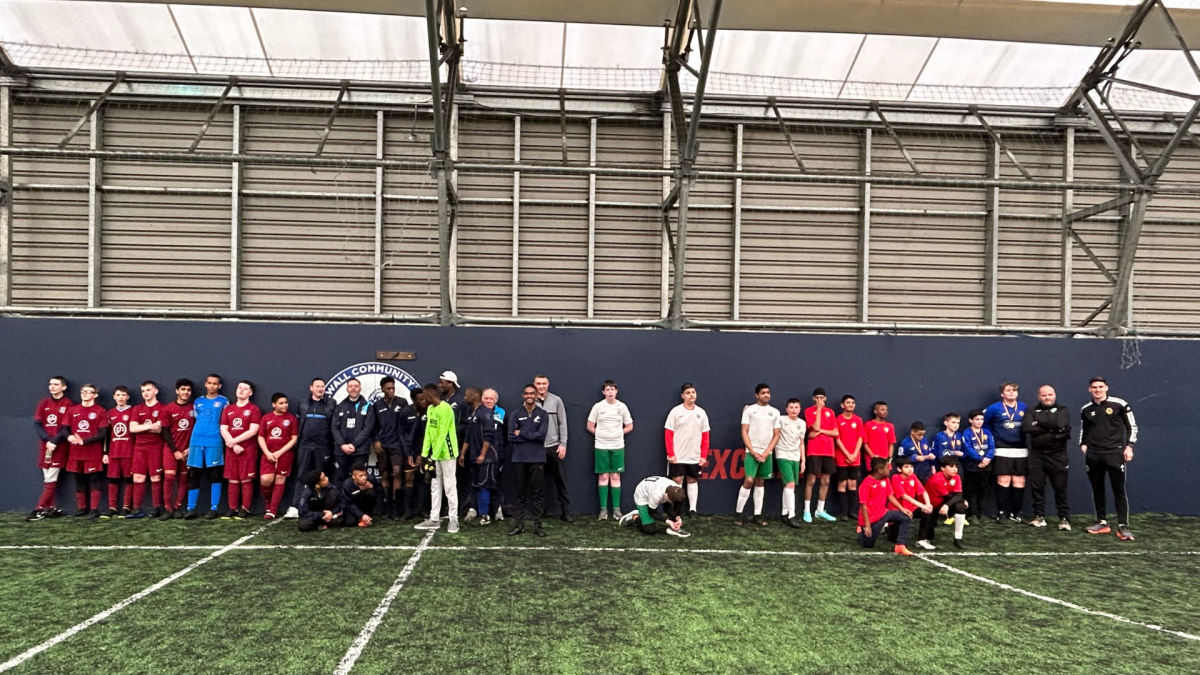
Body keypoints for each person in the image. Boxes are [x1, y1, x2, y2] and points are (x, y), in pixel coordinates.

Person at [1080, 377, 1137, 541]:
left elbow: (1131, 426)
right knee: (1097, 489)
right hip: (1094, 454)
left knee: (1118, 490)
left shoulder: (1119, 404)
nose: (1097, 390)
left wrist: (1129, 446)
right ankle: (1102, 522)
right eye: (1094, 387)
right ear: (1089, 390)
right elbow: (1084, 429)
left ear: (1106, 388)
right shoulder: (1086, 409)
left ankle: (1123, 527)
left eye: (1100, 387)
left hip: (1115, 453)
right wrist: (1083, 444)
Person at [1022, 384, 1072, 530]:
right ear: (1039, 396)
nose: (1047, 397)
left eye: (1049, 394)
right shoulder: (1032, 410)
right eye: (1044, 395)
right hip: (1037, 455)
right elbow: (1026, 427)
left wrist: (1039, 423)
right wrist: (1052, 428)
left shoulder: (1063, 410)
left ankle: (1064, 518)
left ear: (1054, 395)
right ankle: (1039, 516)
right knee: (1037, 487)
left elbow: (1060, 424)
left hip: (1058, 455)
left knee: (1060, 488)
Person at [414, 383, 460, 533]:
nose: (423, 399)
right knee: (434, 485)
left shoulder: (446, 409)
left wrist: (433, 456)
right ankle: (434, 519)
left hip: (447, 454)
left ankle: (454, 519)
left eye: (425, 396)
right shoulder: (430, 409)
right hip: (434, 455)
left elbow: (443, 434)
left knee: (449, 486)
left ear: (431, 395)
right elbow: (429, 432)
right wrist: (424, 454)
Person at [735, 383, 781, 526]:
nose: (766, 395)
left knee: (760, 482)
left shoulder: (775, 412)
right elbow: (744, 431)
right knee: (749, 480)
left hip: (766, 454)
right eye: (763, 393)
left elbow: (776, 434)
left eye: (768, 392)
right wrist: (753, 451)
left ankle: (757, 515)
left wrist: (766, 452)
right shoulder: (749, 411)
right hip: (751, 452)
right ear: (757, 395)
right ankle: (738, 514)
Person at [61, 383, 108, 519]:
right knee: (78, 480)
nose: (85, 393)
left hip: (93, 451)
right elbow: (64, 428)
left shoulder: (100, 411)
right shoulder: (72, 410)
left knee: (94, 480)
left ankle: (94, 509)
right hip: (75, 452)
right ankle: (81, 508)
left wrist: (85, 441)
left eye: (88, 391)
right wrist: (69, 436)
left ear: (95, 395)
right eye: (83, 391)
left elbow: (103, 432)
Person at [588, 380, 633, 521]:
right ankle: (603, 510)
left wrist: (618, 434)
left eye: (613, 389)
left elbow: (629, 426)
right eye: (607, 389)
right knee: (603, 477)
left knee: (615, 477)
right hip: (601, 447)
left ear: (616, 391)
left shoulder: (622, 407)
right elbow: (590, 426)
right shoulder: (598, 407)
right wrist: (602, 435)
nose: (610, 392)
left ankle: (616, 509)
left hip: (618, 446)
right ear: (604, 392)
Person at [30, 375, 74, 520]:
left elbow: (65, 427)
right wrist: (47, 440)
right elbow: (38, 423)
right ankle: (52, 508)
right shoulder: (44, 403)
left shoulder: (68, 404)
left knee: (51, 478)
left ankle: (39, 509)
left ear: (63, 387)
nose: (52, 387)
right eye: (50, 384)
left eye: (56, 384)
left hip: (59, 446)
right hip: (45, 446)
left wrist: (54, 441)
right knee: (47, 479)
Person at [185, 374, 228, 520]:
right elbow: (196, 418)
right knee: (194, 474)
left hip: (214, 440)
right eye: (209, 383)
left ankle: (214, 508)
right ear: (205, 384)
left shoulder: (224, 401)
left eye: (215, 384)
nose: (212, 386)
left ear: (219, 386)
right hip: (196, 440)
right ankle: (191, 508)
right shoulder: (198, 401)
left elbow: (225, 421)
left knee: (215, 474)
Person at [507, 384, 548, 537]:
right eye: (526, 393)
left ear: (536, 395)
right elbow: (511, 436)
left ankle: (537, 525)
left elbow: (541, 436)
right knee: (520, 493)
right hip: (519, 458)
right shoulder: (516, 414)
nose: (529, 396)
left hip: (537, 458)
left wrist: (522, 433)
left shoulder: (543, 414)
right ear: (523, 395)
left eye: (532, 393)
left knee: (537, 493)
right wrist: (530, 435)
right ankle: (519, 524)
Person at [664, 382, 710, 516]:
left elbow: (705, 435)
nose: (691, 395)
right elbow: (668, 433)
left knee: (692, 480)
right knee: (677, 481)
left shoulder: (701, 413)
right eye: (688, 393)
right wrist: (671, 454)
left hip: (694, 455)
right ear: (682, 395)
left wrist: (703, 455)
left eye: (693, 392)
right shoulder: (676, 412)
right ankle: (676, 510)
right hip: (678, 455)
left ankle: (692, 510)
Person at [985, 382, 1028, 523]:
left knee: (1019, 480)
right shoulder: (994, 408)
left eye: (1014, 390)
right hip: (1002, 448)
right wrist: (991, 436)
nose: (1011, 392)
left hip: (1021, 449)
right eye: (1008, 390)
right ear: (1002, 394)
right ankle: (1002, 513)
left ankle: (1017, 513)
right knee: (1004, 480)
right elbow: (983, 422)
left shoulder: (1023, 407)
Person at [220, 380, 261, 519]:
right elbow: (223, 428)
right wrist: (232, 444)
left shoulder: (254, 409)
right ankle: (232, 508)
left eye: (245, 388)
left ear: (251, 392)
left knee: (245, 479)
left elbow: (253, 430)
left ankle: (245, 508)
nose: (241, 390)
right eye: (239, 387)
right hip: (232, 449)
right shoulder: (228, 409)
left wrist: (234, 442)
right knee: (232, 479)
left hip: (247, 449)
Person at [856, 457, 914, 556]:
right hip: (871, 519)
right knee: (868, 544)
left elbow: (890, 496)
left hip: (883, 513)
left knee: (906, 518)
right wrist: (867, 526)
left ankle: (900, 545)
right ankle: (860, 530)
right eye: (887, 468)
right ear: (880, 470)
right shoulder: (866, 484)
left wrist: (902, 509)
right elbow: (863, 506)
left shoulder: (886, 479)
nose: (890, 470)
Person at [534, 374, 572, 522]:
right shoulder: (530, 401)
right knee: (538, 482)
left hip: (554, 447)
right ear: (534, 384)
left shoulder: (556, 401)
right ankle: (541, 512)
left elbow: (563, 423)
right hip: (537, 448)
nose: (541, 386)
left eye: (544, 383)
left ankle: (565, 512)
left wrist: (563, 444)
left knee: (560, 481)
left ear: (548, 384)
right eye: (538, 383)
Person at [128, 381, 168, 519]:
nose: (145, 393)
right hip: (139, 448)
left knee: (155, 477)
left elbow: (160, 429)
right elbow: (132, 428)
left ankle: (157, 507)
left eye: (148, 390)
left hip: (156, 447)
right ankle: (136, 508)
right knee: (138, 478)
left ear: (155, 391)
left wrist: (143, 426)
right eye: (143, 390)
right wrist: (150, 426)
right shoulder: (137, 408)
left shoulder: (163, 408)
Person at [462, 387, 500, 525]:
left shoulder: (486, 413)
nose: (464, 397)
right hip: (474, 456)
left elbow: (489, 436)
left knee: (484, 485)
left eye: (467, 395)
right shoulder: (473, 413)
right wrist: (463, 454)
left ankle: (485, 516)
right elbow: (468, 435)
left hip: (487, 458)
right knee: (476, 485)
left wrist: (483, 454)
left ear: (473, 396)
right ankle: (477, 512)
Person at [258, 392, 298, 520]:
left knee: (280, 479)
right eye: (281, 403)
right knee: (266, 480)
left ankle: (272, 510)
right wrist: (267, 452)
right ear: (273, 404)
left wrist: (280, 452)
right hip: (268, 454)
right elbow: (261, 437)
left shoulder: (291, 418)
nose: (284, 405)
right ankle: (268, 502)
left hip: (285, 454)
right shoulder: (266, 418)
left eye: (286, 403)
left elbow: (294, 438)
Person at [160, 378, 195, 519]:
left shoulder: (194, 408)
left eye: (188, 390)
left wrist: (190, 448)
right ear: (177, 391)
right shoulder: (168, 409)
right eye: (183, 389)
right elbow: (165, 431)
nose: (185, 392)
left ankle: (177, 507)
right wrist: (175, 450)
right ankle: (168, 509)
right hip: (171, 449)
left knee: (184, 478)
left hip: (189, 450)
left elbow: (198, 429)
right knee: (169, 477)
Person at [372, 376, 407, 519]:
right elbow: (372, 426)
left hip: (397, 444)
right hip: (382, 445)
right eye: (388, 388)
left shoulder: (402, 402)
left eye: (393, 387)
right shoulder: (377, 405)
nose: (391, 390)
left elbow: (407, 424)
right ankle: (386, 506)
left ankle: (396, 506)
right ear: (382, 389)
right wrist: (376, 441)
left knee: (397, 472)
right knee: (385, 474)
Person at [803, 388, 839, 523]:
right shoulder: (808, 411)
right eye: (817, 398)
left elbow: (835, 433)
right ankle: (807, 510)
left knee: (825, 481)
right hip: (814, 451)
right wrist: (818, 410)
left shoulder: (830, 412)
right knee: (811, 481)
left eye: (822, 398)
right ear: (813, 399)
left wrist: (820, 432)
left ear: (825, 399)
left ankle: (819, 510)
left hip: (828, 451)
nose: (820, 401)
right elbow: (815, 427)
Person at [332, 378, 376, 484]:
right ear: (347, 389)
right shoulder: (339, 407)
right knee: (341, 479)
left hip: (360, 451)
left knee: (359, 480)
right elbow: (334, 427)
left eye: (356, 386)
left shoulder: (368, 406)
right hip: (341, 451)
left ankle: (357, 501)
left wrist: (354, 444)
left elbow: (368, 428)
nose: (353, 389)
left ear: (360, 389)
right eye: (350, 386)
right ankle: (342, 501)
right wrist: (342, 445)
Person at [295, 377, 336, 487]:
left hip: (322, 446)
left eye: (322, 386)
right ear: (311, 388)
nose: (320, 389)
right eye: (317, 386)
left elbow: (334, 425)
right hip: (305, 445)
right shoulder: (303, 404)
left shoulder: (331, 403)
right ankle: (298, 503)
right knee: (302, 476)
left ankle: (322, 503)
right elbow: (298, 424)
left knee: (322, 477)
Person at [618, 476, 691, 537]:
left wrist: (677, 518)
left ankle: (673, 527)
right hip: (642, 497)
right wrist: (668, 521)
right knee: (649, 529)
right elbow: (652, 512)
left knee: (672, 510)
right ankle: (635, 516)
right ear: (667, 496)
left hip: (657, 491)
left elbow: (672, 506)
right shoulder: (656, 494)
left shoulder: (677, 489)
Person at [921, 457, 969, 550]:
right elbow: (949, 496)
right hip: (931, 505)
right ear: (943, 468)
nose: (955, 469)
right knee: (929, 534)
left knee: (960, 507)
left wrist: (951, 504)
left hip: (944, 502)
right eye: (951, 466)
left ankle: (958, 539)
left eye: (956, 467)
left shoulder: (957, 477)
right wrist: (960, 500)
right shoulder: (937, 479)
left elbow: (958, 494)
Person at [105, 386, 136, 518]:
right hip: (114, 452)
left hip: (129, 452)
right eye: (118, 395)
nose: (121, 397)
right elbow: (106, 435)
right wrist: (105, 452)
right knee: (113, 480)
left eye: (124, 395)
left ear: (128, 397)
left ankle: (126, 506)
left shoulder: (133, 411)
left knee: (129, 480)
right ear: (114, 397)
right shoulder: (110, 413)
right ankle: (112, 507)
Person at [775, 398, 807, 528]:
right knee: (790, 484)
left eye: (796, 407)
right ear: (786, 409)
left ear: (799, 409)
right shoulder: (780, 419)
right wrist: (747, 409)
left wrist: (803, 460)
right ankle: (792, 516)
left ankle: (784, 513)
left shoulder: (802, 423)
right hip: (782, 454)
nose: (794, 410)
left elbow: (801, 443)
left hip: (795, 456)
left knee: (788, 486)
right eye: (791, 407)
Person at [889, 458, 933, 549]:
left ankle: (921, 539)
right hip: (898, 509)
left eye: (911, 466)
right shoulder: (895, 478)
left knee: (926, 513)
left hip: (911, 507)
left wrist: (928, 504)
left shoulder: (913, 477)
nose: (910, 469)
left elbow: (923, 491)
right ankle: (888, 527)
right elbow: (904, 496)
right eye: (906, 467)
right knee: (893, 539)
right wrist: (922, 505)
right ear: (899, 469)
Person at [834, 395, 864, 520]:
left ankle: (853, 511)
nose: (850, 404)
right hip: (842, 457)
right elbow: (837, 439)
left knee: (853, 484)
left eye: (852, 402)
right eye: (848, 402)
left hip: (855, 458)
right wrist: (847, 454)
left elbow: (860, 438)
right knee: (842, 483)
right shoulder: (838, 419)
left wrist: (854, 454)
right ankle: (843, 513)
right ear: (842, 405)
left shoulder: (858, 420)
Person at [962, 409, 995, 524]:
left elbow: (992, 446)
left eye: (981, 419)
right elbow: (968, 448)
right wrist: (980, 458)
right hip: (972, 466)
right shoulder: (967, 432)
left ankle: (982, 514)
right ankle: (972, 514)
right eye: (976, 419)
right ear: (970, 420)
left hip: (987, 466)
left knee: (983, 491)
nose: (979, 422)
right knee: (972, 491)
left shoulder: (987, 432)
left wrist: (987, 459)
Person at [863, 401, 896, 476]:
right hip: (872, 461)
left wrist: (889, 459)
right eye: (882, 410)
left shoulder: (890, 426)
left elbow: (891, 443)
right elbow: (864, 443)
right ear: (875, 411)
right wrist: (873, 456)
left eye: (886, 410)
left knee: (885, 483)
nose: (885, 412)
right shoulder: (868, 425)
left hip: (885, 461)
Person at [341, 463, 378, 528]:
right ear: (353, 477)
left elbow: (380, 490)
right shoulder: (347, 485)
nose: (364, 477)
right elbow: (348, 503)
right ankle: (361, 518)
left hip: (364, 505)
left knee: (371, 493)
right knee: (350, 522)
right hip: (353, 506)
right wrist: (361, 515)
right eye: (360, 476)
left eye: (365, 475)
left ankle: (368, 515)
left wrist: (372, 486)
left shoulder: (371, 479)